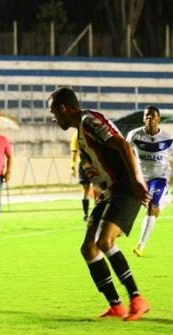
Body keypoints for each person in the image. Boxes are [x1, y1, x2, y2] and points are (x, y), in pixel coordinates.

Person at [48, 87, 151, 321]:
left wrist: (136, 181)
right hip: (109, 192)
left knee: (105, 241)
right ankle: (116, 306)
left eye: (53, 111)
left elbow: (124, 146)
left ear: (63, 108)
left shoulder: (89, 121)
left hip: (126, 188)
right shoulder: (81, 130)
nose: (53, 117)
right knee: (89, 248)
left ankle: (137, 299)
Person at [126, 106, 173, 257]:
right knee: (152, 208)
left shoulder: (167, 137)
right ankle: (170, 197)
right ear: (143, 119)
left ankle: (140, 246)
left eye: (153, 116)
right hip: (141, 178)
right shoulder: (134, 135)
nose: (150, 118)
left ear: (158, 119)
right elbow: (126, 152)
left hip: (160, 177)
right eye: (147, 116)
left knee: (151, 208)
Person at [70, 130, 94, 221]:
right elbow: (74, 152)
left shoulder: (91, 133)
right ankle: (86, 214)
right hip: (84, 164)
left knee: (97, 188)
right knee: (85, 190)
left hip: (95, 163)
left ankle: (97, 213)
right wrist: (72, 166)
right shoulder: (76, 135)